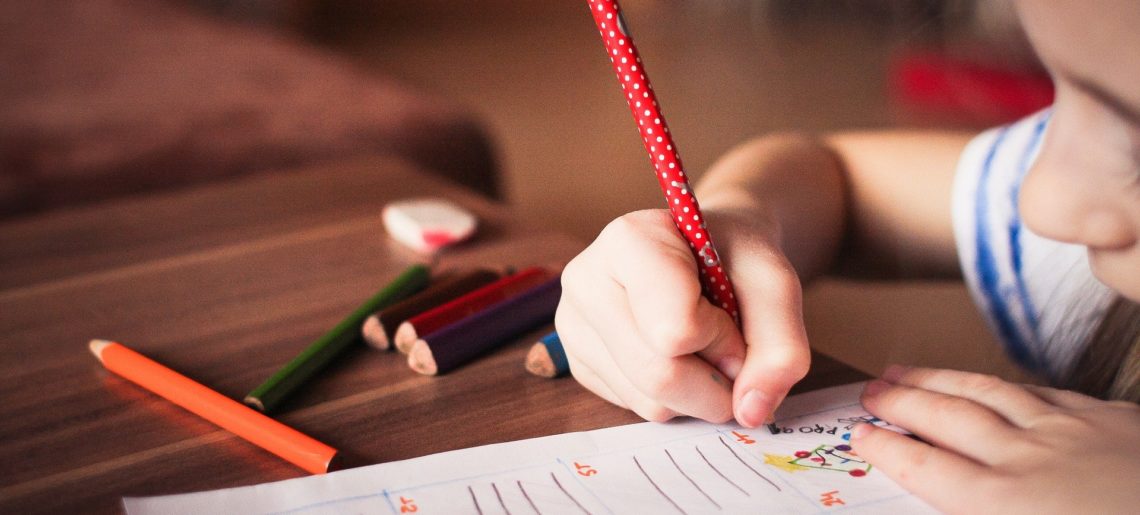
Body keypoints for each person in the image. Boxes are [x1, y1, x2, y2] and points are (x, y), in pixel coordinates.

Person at [554, 1, 1140, 512]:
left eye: (1135, 139)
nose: (1038, 202)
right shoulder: (1081, 209)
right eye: (1059, 99)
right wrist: (741, 221)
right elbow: (839, 180)